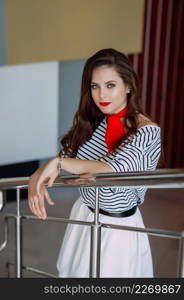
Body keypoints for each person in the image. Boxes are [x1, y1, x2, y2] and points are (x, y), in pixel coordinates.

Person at [28, 48, 161, 278]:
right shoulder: (98, 121)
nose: (101, 95)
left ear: (128, 86)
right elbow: (68, 155)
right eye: (94, 86)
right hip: (85, 213)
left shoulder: (147, 131)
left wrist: (59, 163)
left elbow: (112, 169)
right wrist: (38, 174)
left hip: (116, 228)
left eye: (110, 85)